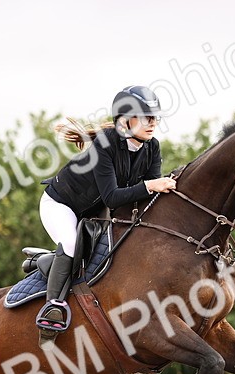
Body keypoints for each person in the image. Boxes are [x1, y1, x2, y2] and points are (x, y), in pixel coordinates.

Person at [35, 85, 177, 338]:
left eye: (154, 117)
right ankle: (52, 308)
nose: (152, 123)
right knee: (70, 243)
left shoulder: (151, 147)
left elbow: (148, 196)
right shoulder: (105, 144)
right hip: (61, 205)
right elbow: (113, 197)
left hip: (94, 211)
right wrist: (150, 185)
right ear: (124, 121)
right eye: (145, 117)